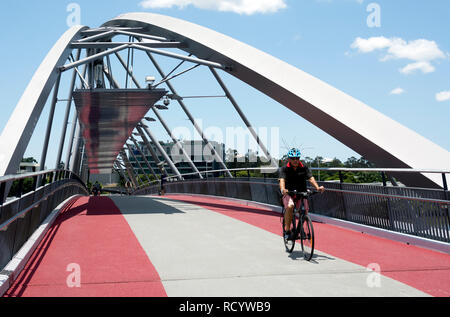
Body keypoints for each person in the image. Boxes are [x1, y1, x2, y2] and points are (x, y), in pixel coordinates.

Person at [278, 148, 325, 240]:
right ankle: (287, 231)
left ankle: (299, 229)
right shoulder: (284, 169)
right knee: (290, 206)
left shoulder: (304, 167)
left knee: (305, 210)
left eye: (297, 158)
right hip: (289, 192)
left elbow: (311, 178)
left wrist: (317, 187)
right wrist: (283, 189)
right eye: (293, 158)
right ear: (289, 159)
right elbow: (282, 180)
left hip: (301, 192)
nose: (295, 160)